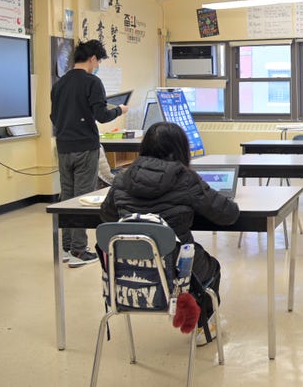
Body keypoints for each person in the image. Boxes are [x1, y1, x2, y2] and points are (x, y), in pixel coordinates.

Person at [100, 121, 240, 345]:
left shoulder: (122, 178)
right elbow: (228, 214)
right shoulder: (185, 178)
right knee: (211, 267)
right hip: (175, 267)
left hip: (128, 269)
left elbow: (107, 218)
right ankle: (204, 327)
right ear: (181, 149)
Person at [51, 39, 128, 268]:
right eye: (98, 62)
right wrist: (119, 110)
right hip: (85, 146)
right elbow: (102, 115)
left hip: (63, 146)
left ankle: (66, 247)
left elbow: (54, 117)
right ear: (92, 58)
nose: (97, 66)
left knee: (66, 196)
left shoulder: (59, 84)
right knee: (82, 197)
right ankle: (79, 251)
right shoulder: (92, 82)